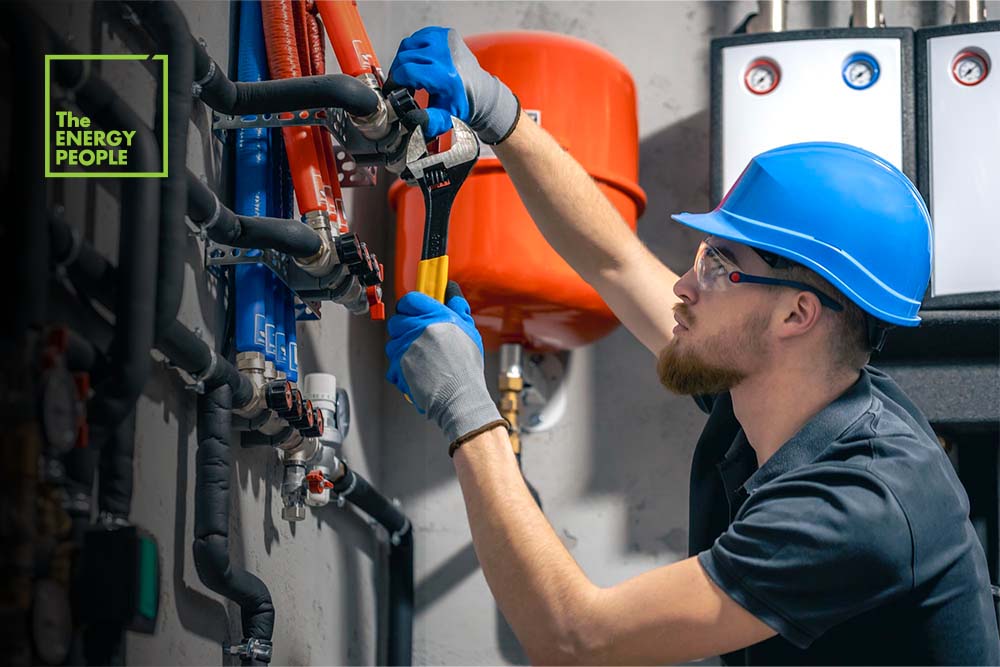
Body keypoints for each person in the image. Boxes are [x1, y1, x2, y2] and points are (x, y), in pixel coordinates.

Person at [384, 26, 1000, 665]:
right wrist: (502, 115)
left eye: (717, 266)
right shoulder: (777, 386)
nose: (682, 284)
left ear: (797, 314)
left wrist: (467, 410)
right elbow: (616, 261)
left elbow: (574, 640)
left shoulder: (860, 503)